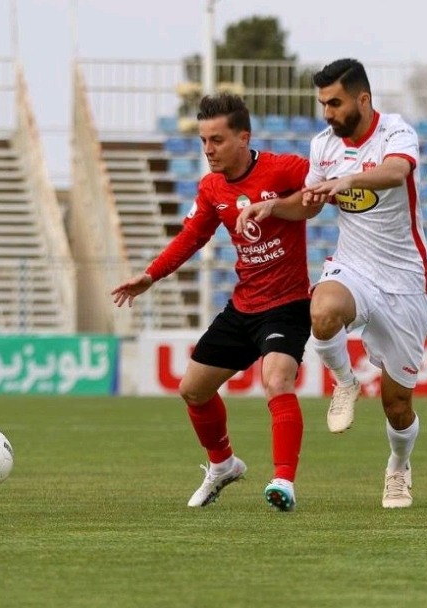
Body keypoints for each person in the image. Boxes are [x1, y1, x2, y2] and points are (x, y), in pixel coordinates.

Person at [112, 93, 317, 512]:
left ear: (244, 137)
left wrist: (276, 205)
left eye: (217, 140)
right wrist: (151, 275)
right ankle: (223, 465)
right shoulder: (211, 187)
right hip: (243, 307)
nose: (208, 150)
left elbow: (321, 194)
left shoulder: (286, 168)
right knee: (192, 390)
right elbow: (192, 237)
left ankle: (283, 481)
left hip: (287, 304)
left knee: (276, 380)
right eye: (204, 141)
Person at [240, 58, 427, 509]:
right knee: (322, 312)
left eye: (335, 102)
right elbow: (310, 203)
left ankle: (399, 466)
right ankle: (345, 381)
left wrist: (348, 179)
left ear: (362, 99)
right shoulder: (323, 145)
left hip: (403, 281)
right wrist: (273, 208)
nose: (327, 112)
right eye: (323, 103)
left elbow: (396, 173)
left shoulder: (396, 133)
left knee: (398, 406)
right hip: (354, 267)